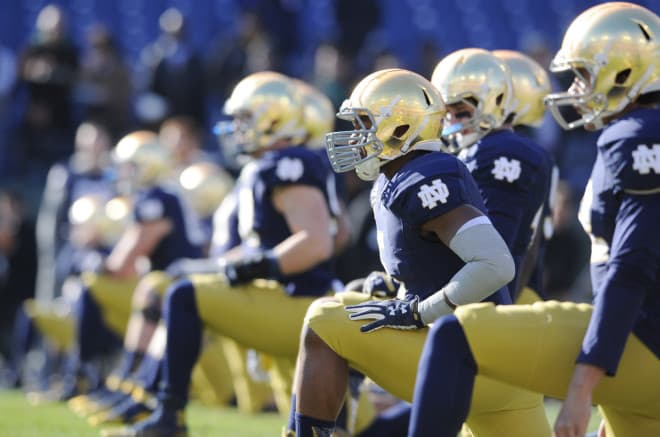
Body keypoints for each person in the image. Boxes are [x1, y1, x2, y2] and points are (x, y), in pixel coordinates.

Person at [407, 3, 660, 436]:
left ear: (623, 73)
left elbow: (631, 269)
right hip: (643, 340)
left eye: (583, 74)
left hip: (647, 340)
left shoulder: (635, 136)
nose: (577, 87)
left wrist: (585, 385)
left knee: (457, 335)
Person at [291, 68, 550, 437]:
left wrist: (417, 311)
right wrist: (398, 289)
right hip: (495, 359)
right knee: (346, 303)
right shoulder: (397, 177)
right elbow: (436, 263)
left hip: (475, 357)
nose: (354, 136)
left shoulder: (426, 176)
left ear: (399, 127)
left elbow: (494, 264)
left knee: (323, 321)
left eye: (364, 123)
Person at [112, 71, 340, 436]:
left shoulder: (287, 162)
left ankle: (168, 415)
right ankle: (149, 399)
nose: (236, 128)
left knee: (184, 296)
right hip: (287, 296)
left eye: (245, 119)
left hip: (299, 301)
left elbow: (315, 244)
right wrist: (230, 264)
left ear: (273, 118)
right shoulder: (270, 165)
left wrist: (258, 266)